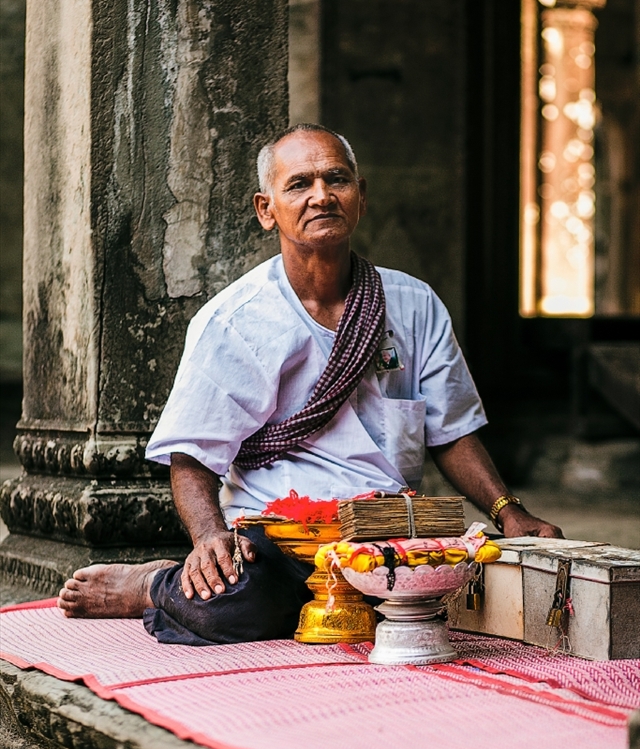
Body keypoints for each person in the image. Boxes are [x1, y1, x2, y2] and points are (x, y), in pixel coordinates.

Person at [58, 124, 562, 643]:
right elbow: (192, 455)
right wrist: (209, 537)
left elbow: (450, 432)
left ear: (360, 198)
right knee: (225, 608)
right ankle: (155, 584)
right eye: (299, 184)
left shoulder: (414, 304)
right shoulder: (234, 321)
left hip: (388, 532)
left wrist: (508, 511)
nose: (321, 196)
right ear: (266, 208)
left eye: (336, 179)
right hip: (278, 536)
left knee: (480, 586)